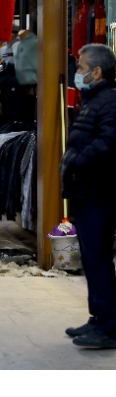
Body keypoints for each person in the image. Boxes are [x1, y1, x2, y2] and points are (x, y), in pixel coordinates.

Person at [61, 43, 116, 349]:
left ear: (97, 72)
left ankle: (108, 327)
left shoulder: (109, 101)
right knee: (92, 259)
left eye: (81, 68)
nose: (77, 73)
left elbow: (109, 143)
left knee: (98, 260)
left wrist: (77, 160)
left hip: (100, 192)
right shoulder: (92, 99)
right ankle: (99, 318)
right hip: (87, 190)